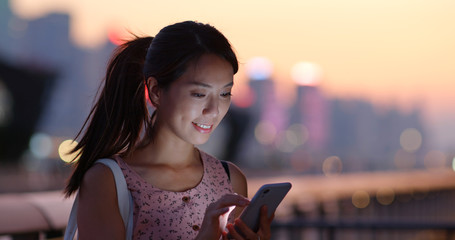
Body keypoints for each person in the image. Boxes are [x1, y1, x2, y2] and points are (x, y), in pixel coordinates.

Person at [64, 21, 274, 240]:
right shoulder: (108, 181)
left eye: (224, 94)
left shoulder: (231, 180)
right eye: (199, 94)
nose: (213, 111)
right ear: (155, 91)